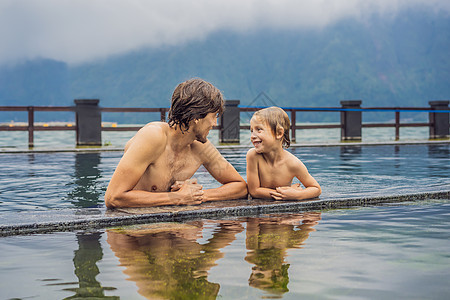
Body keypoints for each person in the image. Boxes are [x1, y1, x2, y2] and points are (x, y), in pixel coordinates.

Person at [105, 78, 247, 208]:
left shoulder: (200, 147)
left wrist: (199, 195)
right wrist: (176, 197)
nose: (215, 124)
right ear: (196, 117)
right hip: (134, 231)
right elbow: (113, 198)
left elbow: (240, 186)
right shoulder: (153, 137)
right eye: (213, 117)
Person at [246, 106, 321, 200]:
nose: (252, 136)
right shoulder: (253, 156)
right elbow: (254, 191)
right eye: (252, 130)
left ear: (279, 133)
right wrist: (286, 193)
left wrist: (297, 195)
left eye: (259, 130)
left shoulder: (292, 163)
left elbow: (316, 189)